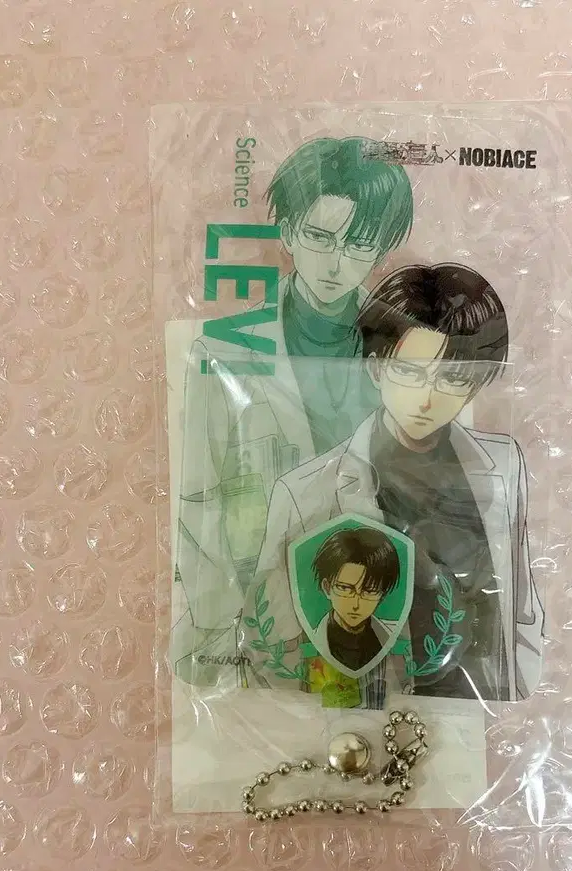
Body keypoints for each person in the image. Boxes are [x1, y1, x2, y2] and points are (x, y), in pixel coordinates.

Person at [171, 137, 414, 685]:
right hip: (256, 623)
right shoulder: (223, 352)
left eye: (359, 244)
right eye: (319, 236)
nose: (336, 263)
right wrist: (221, 634)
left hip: (381, 613)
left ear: (381, 250)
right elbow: (198, 502)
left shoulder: (413, 353)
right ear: (286, 233)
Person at [246, 263, 544, 703]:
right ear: (376, 368)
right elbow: (270, 627)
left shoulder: (503, 462)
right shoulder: (305, 489)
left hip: (480, 699)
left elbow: (520, 601)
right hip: (366, 704)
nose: (427, 398)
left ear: (476, 383)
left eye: (453, 378)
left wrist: (520, 690)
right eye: (408, 371)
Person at [307, 526, 402, 675]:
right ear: (327, 588)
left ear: (382, 596)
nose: (356, 604)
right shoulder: (306, 641)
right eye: (345, 588)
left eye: (369, 591)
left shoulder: (395, 637)